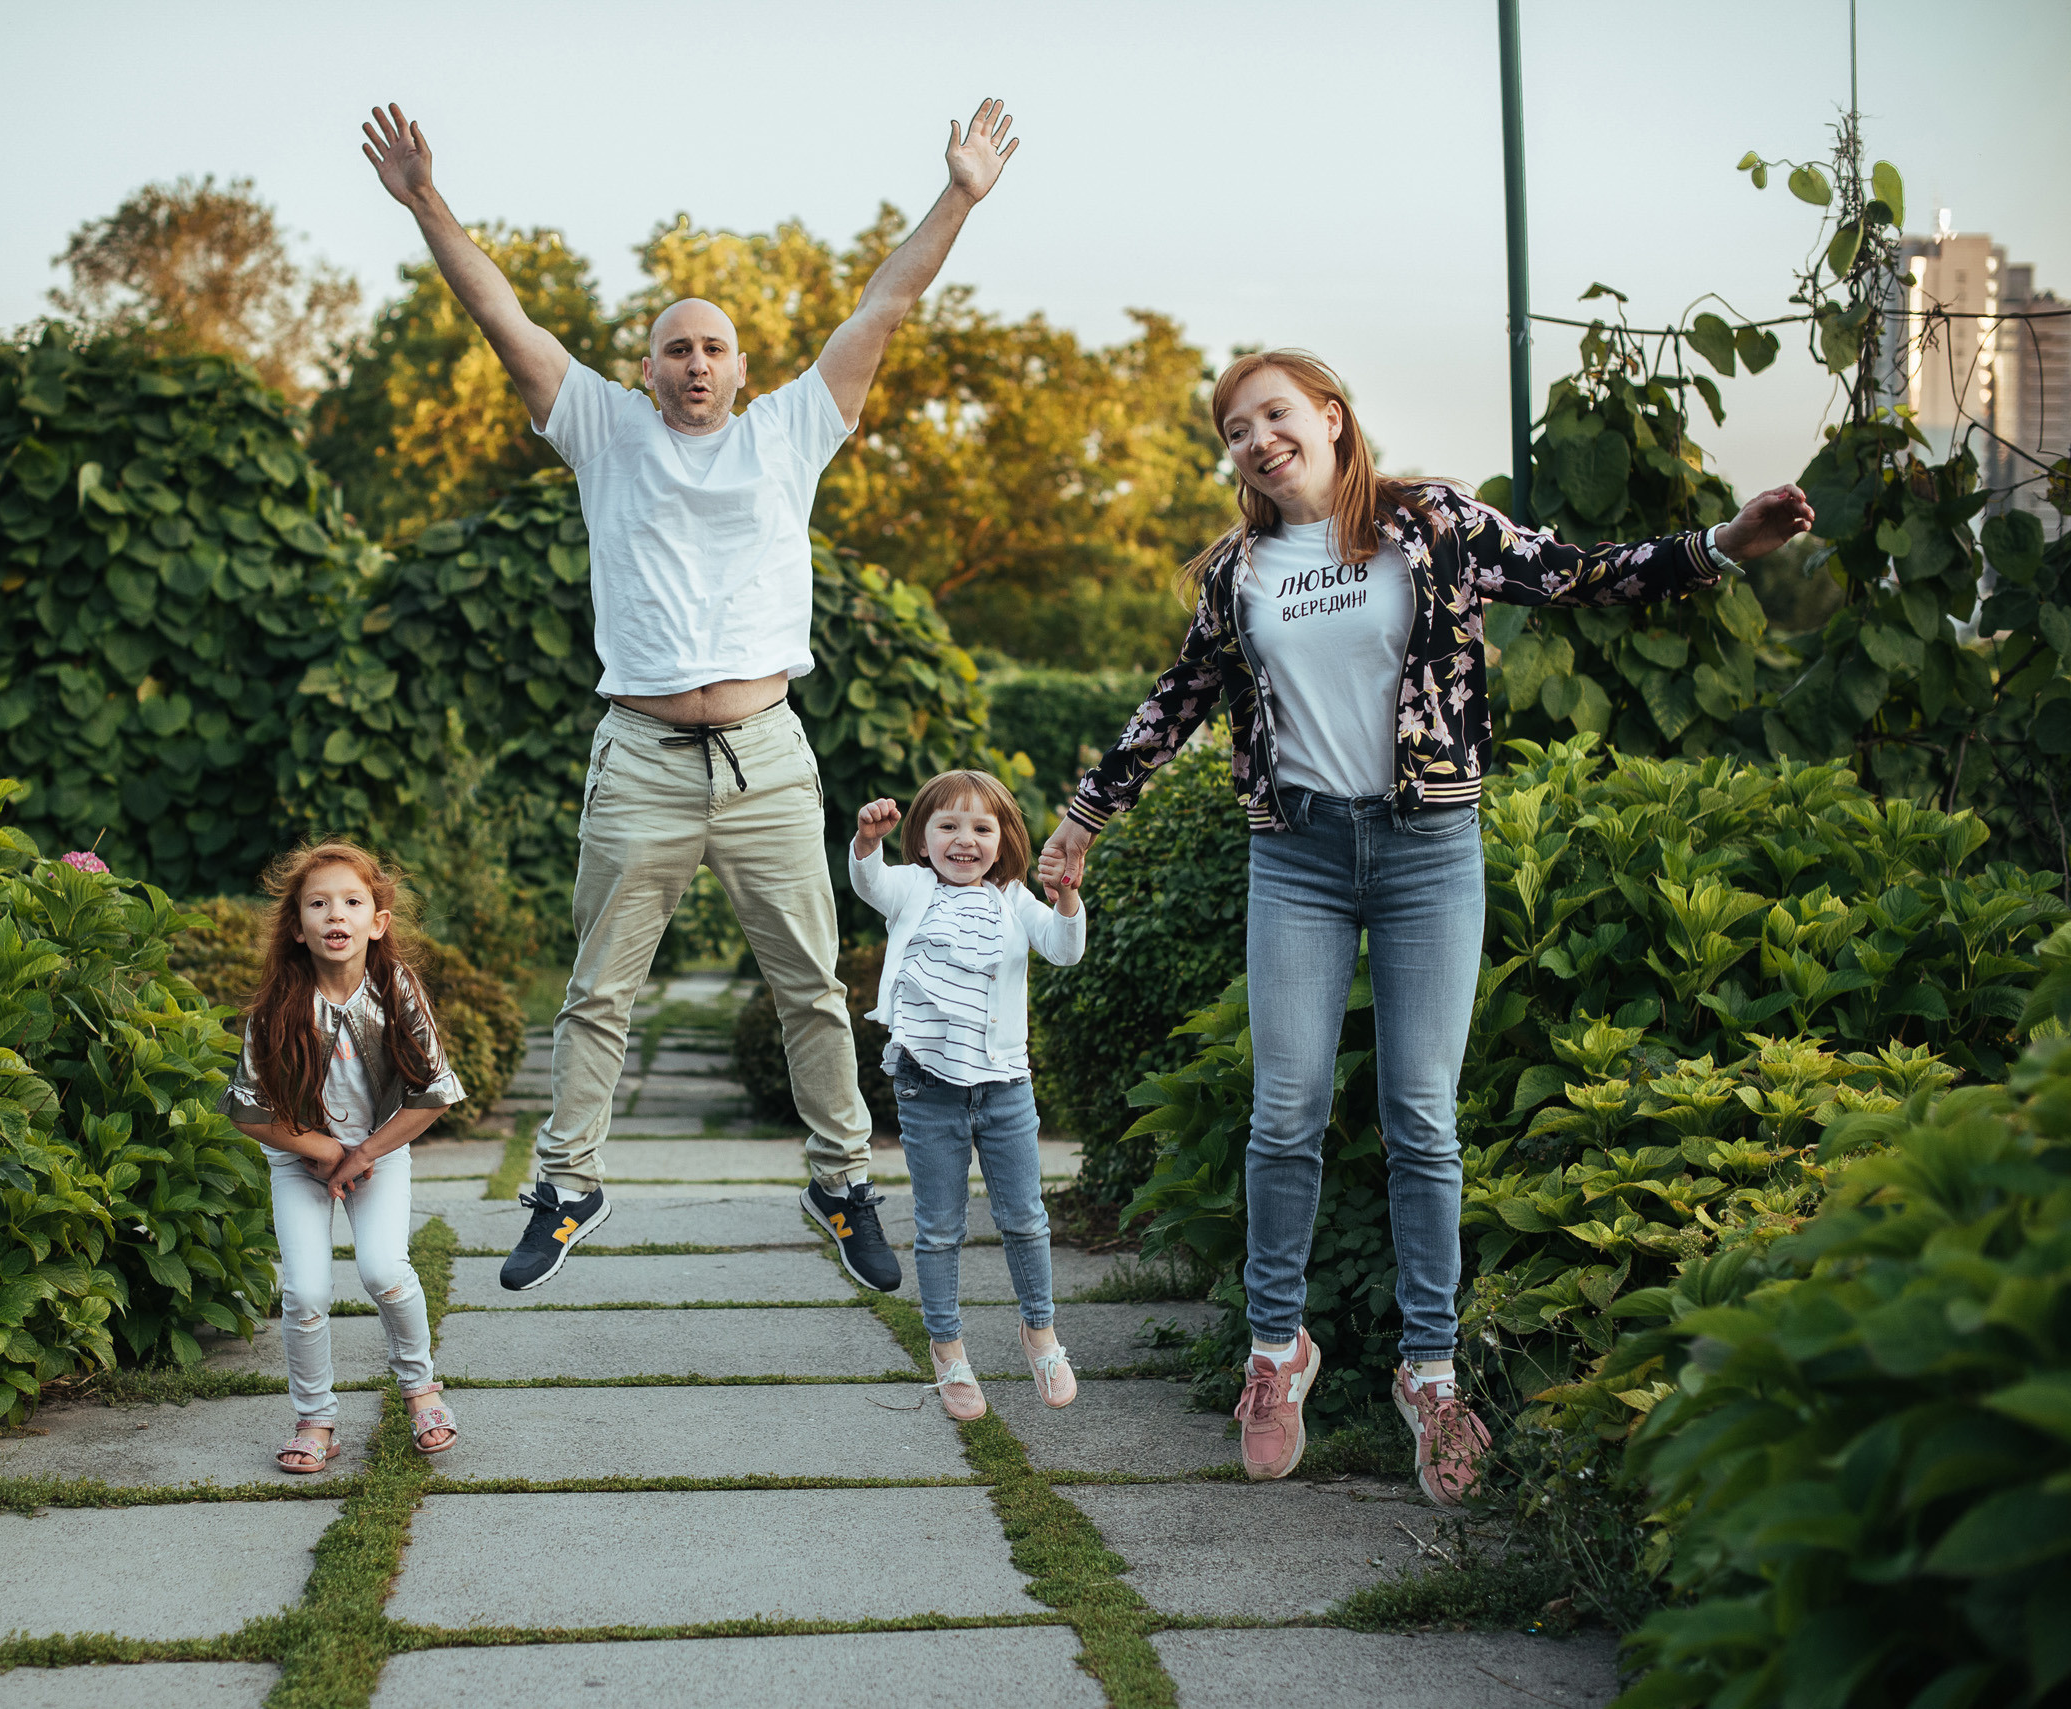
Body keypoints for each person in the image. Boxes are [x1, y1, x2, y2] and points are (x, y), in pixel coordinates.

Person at [1036, 350, 1815, 1506]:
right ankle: (1274, 1352)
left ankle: (1432, 1375)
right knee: (1285, 1108)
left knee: (1420, 1118)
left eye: (1274, 414)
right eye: (1234, 428)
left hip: (1425, 852)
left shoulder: (1431, 524)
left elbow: (1570, 573)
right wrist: (1079, 822)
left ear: (1331, 419)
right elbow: (1177, 700)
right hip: (1295, 853)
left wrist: (1717, 547)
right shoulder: (1237, 572)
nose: (1255, 438)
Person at [360, 97, 1024, 1296]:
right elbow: (497, 309)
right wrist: (423, 201)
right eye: (676, 346)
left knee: (812, 988)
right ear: (647, 366)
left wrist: (961, 196)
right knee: (598, 989)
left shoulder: (792, 433)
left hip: (768, 756)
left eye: (714, 346)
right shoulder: (602, 431)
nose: (696, 362)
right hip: (644, 756)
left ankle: (839, 1183)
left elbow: (885, 302)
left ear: (743, 367)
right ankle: (568, 1186)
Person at [849, 772, 1086, 1421]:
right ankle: (948, 1347)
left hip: (1006, 1085)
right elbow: (869, 881)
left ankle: (1041, 1333)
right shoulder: (912, 890)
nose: (965, 839)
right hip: (929, 1087)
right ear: (922, 840)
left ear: (1003, 839)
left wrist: (1066, 898)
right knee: (940, 1225)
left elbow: (1065, 950)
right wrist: (867, 841)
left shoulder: (1012, 898)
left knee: (1025, 1217)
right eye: (948, 825)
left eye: (982, 827)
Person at [224, 841, 465, 1468]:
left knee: (385, 1269)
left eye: (352, 902)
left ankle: (420, 1388)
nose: (337, 914)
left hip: (381, 1152)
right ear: (298, 928)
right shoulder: (277, 1004)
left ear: (377, 923)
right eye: (319, 904)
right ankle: (315, 1418)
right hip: (299, 1158)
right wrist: (320, 1147)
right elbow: (248, 1110)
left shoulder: (396, 990)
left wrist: (361, 1155)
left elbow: (435, 1093)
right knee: (304, 1291)